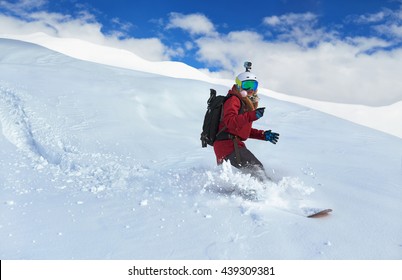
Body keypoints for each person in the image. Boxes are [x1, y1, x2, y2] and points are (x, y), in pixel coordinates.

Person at [213, 62, 279, 181]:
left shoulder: (242, 103)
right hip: (228, 145)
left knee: (255, 171)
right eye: (247, 85)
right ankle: (266, 195)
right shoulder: (234, 100)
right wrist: (252, 115)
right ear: (239, 85)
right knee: (257, 170)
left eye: (253, 86)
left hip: (230, 145)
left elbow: (240, 129)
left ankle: (256, 193)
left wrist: (263, 135)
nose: (250, 90)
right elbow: (230, 122)